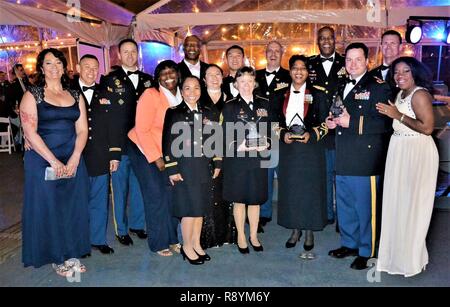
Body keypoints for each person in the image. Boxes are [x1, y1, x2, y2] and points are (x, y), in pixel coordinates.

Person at [20, 48, 90, 276]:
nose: (54, 67)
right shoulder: (33, 94)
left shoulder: (75, 94)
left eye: (58, 62)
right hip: (42, 159)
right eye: (48, 63)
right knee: (49, 207)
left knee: (72, 206)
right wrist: (53, 161)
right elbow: (30, 132)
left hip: (72, 157)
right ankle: (55, 256)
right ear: (41, 68)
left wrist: (75, 157)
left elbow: (82, 129)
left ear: (64, 66)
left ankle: (71, 251)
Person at [326, 43, 392, 270]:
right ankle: (350, 243)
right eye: (348, 60)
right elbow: (339, 113)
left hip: (365, 159)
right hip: (343, 154)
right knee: (345, 205)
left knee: (366, 208)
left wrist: (350, 122)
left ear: (367, 61)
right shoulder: (342, 84)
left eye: (357, 59)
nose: (352, 64)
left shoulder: (378, 87)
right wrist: (332, 122)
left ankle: (368, 250)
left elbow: (385, 123)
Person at [376, 57, 439, 277]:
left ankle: (410, 260)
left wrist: (397, 115)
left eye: (405, 71)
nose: (399, 75)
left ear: (415, 73)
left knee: (413, 205)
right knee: (398, 203)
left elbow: (428, 128)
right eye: (396, 72)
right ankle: (396, 255)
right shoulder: (400, 93)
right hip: (400, 148)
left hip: (417, 152)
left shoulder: (419, 94)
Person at [100, 38, 153, 246]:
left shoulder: (149, 79)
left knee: (140, 186)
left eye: (133, 52)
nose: (130, 55)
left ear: (137, 55)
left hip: (141, 144)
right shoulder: (109, 80)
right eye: (126, 52)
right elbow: (107, 116)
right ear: (119, 55)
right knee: (120, 189)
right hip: (120, 143)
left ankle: (137, 225)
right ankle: (121, 229)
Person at [163, 76, 221, 264]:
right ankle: (186, 246)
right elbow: (167, 142)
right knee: (189, 209)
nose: (192, 92)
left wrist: (217, 162)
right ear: (181, 90)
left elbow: (214, 138)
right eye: (187, 88)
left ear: (201, 90)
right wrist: (172, 168)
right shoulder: (174, 113)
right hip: (184, 168)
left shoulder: (206, 112)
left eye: (196, 88)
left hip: (203, 166)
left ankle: (196, 244)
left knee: (200, 208)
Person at [127, 60, 181, 256]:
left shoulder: (182, 95)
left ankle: (173, 238)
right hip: (143, 149)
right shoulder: (151, 95)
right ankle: (159, 243)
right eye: (163, 74)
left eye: (172, 72)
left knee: (172, 195)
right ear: (157, 78)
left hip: (168, 151)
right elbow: (142, 129)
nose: (168, 76)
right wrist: (156, 157)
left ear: (178, 74)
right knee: (156, 195)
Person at [277, 55, 328, 259]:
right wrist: (282, 134)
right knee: (291, 190)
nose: (299, 72)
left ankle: (308, 231)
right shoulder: (279, 95)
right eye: (295, 68)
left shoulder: (318, 94)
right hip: (289, 150)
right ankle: (295, 229)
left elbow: (327, 121)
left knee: (310, 190)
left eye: (303, 68)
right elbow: (273, 121)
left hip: (311, 149)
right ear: (289, 71)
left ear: (308, 72)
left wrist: (313, 134)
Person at [73, 54, 121, 255]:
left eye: (95, 68)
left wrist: (115, 154)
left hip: (101, 154)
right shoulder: (69, 93)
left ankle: (98, 239)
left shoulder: (106, 92)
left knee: (100, 200)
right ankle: (80, 242)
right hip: (76, 155)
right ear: (78, 67)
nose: (91, 72)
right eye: (87, 67)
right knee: (78, 201)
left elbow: (114, 125)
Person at [221, 66, 270, 254]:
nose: (246, 85)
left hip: (258, 158)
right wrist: (238, 145)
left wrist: (267, 143)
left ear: (255, 83)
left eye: (250, 81)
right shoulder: (230, 105)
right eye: (242, 81)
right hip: (238, 160)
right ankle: (241, 235)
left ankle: (254, 236)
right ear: (236, 84)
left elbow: (272, 128)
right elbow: (224, 134)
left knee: (255, 199)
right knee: (240, 199)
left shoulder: (264, 103)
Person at [307, 26, 346, 227]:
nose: (326, 41)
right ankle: (327, 215)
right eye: (322, 38)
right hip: (320, 129)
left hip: (342, 129)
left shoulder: (345, 62)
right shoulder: (309, 64)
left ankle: (342, 217)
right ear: (317, 41)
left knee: (341, 176)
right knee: (323, 174)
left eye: (330, 38)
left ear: (335, 39)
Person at [255, 41, 291, 232]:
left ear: (282, 53)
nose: (273, 54)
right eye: (270, 51)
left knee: (286, 176)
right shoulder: (255, 76)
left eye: (277, 51)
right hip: (261, 133)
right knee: (264, 176)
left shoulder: (290, 76)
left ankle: (289, 212)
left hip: (282, 133)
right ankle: (263, 213)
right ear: (265, 53)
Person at [200, 64, 237, 248]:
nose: (214, 78)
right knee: (208, 193)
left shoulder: (231, 100)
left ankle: (226, 235)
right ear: (204, 79)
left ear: (223, 79)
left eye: (218, 74)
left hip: (228, 153)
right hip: (204, 153)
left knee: (226, 193)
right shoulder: (198, 99)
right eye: (210, 75)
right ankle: (208, 237)